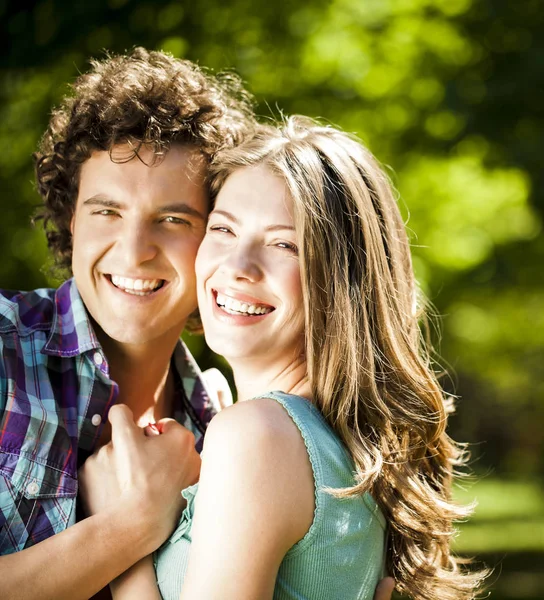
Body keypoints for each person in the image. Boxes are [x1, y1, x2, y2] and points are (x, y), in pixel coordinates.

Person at [0, 48, 395, 600]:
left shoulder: (226, 425)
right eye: (107, 211)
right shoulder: (5, 350)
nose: (134, 252)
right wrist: (128, 527)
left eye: (172, 220)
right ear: (71, 218)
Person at [82, 117, 486, 599]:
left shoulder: (257, 435)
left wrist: (120, 537)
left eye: (283, 244)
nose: (237, 266)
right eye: (224, 229)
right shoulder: (330, 440)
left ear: (343, 279)